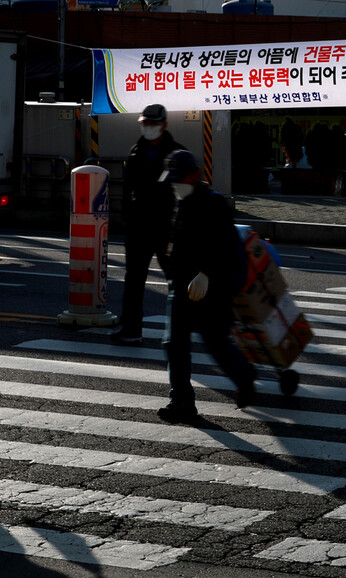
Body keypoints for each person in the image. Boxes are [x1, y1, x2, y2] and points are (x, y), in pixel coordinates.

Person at [155, 150, 256, 423]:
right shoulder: (177, 201)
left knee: (216, 342)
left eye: (180, 178)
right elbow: (167, 240)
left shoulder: (214, 203)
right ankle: (182, 402)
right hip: (181, 284)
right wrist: (171, 272)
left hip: (211, 287)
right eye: (172, 179)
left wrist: (206, 274)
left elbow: (223, 246)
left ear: (195, 175)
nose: (175, 184)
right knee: (174, 343)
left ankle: (245, 377)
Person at [111, 104, 185, 345]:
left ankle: (184, 329)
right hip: (139, 226)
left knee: (176, 279)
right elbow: (126, 189)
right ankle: (131, 330)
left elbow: (186, 193)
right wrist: (126, 216)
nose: (148, 128)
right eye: (145, 124)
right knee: (134, 280)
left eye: (153, 124)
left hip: (167, 227)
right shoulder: (136, 151)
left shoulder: (177, 153)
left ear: (163, 125)